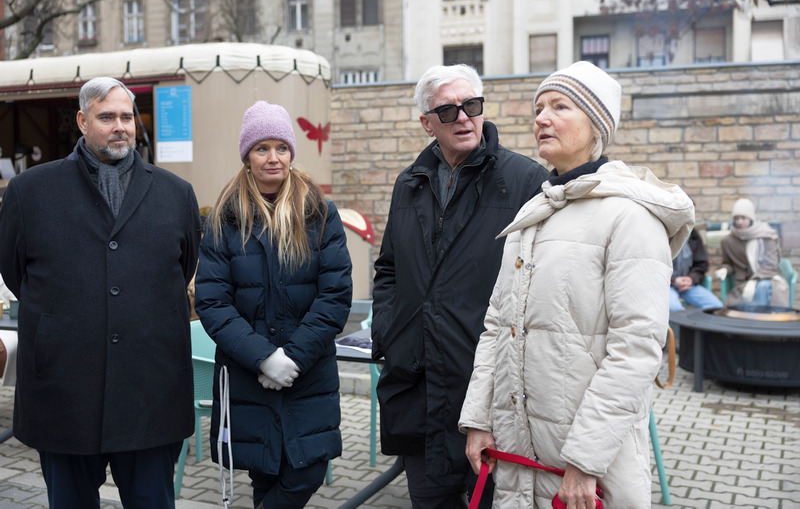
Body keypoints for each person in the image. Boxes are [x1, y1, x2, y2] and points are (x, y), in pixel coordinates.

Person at [459, 61, 694, 508]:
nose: (541, 118)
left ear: (596, 126)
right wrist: (478, 417)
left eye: (559, 106)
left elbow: (637, 350)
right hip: (518, 457)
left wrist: (585, 461)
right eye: (539, 108)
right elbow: (496, 326)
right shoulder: (532, 216)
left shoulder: (630, 217)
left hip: (588, 473)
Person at [0, 77, 201, 508]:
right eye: (106, 117)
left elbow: (183, 268)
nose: (120, 127)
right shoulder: (29, 193)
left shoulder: (176, 194)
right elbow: (17, 275)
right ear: (82, 121)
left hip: (151, 394)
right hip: (65, 393)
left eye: (127, 117)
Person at [371, 63, 549, 508]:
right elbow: (389, 269)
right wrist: (388, 333)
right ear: (427, 123)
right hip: (418, 382)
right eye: (448, 111)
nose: (464, 118)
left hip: (486, 388)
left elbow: (540, 282)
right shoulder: (409, 184)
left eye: (471, 105)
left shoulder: (525, 181)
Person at [194, 101, 352, 508]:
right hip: (248, 373)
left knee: (306, 469)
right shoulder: (225, 218)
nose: (273, 158)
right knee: (265, 471)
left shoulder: (318, 211)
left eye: (281, 147)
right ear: (247, 155)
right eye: (262, 148)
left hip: (308, 370)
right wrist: (263, 358)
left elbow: (335, 294)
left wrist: (292, 358)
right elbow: (212, 301)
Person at [716, 198, 789, 308]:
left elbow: (770, 266)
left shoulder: (767, 236)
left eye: (743, 218)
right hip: (742, 284)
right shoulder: (728, 241)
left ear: (751, 218)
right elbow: (729, 263)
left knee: (762, 287)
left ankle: (760, 319)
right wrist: (725, 269)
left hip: (767, 279)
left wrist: (754, 281)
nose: (739, 222)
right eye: (736, 218)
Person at [669, 228, 723, 312]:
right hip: (666, 285)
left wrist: (691, 279)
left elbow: (701, 264)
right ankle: (682, 325)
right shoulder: (661, 234)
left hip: (688, 285)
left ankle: (699, 324)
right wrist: (673, 281)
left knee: (716, 306)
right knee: (675, 310)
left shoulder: (692, 235)